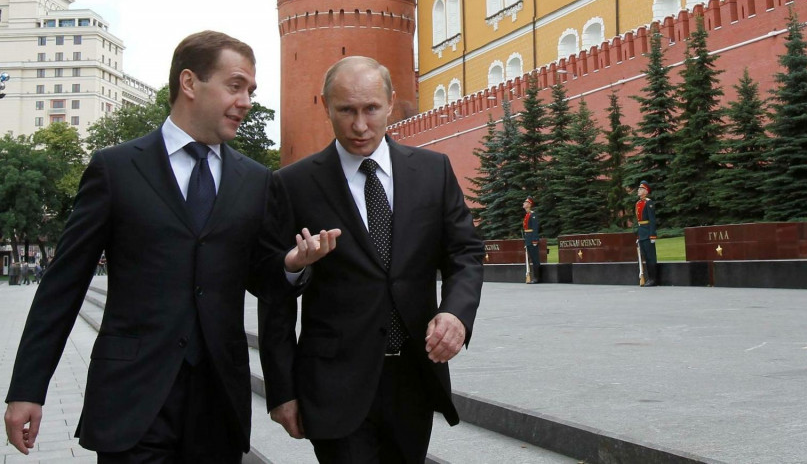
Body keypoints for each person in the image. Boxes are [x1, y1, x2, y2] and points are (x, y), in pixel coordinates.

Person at [4, 30, 340, 462]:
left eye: (251, 90)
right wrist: (28, 389)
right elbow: (63, 286)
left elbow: (263, 277)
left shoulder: (256, 181)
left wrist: (293, 264)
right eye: (235, 86)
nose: (247, 101)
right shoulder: (116, 169)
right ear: (188, 83)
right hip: (132, 399)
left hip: (219, 401)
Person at [258, 56, 484, 464]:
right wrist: (281, 390)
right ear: (325, 106)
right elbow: (273, 297)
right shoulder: (292, 185)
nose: (360, 125)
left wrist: (456, 314)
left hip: (414, 376)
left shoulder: (433, 171)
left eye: (371, 109)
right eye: (346, 110)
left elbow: (464, 252)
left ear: (391, 103)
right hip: (332, 383)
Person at [629, 180, 658, 287]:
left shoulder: (648, 203)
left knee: (651, 257)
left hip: (648, 233)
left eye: (641, 189)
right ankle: (648, 278)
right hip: (642, 233)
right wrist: (638, 235)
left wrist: (653, 235)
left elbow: (652, 220)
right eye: (639, 189)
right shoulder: (638, 203)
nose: (639, 190)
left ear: (646, 191)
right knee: (645, 257)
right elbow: (638, 221)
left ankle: (653, 279)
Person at [522, 197, 540, 284]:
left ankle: (536, 278)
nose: (523, 204)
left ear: (529, 204)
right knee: (531, 259)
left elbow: (535, 228)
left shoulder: (533, 215)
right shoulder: (527, 215)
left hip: (533, 240)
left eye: (525, 202)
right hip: (528, 239)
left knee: (535, 259)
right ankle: (533, 277)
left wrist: (535, 240)